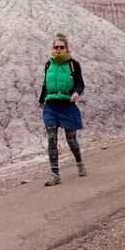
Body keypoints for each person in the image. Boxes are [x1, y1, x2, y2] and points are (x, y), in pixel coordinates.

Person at [37, 33, 86, 186]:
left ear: (66, 49)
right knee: (51, 140)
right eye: (56, 47)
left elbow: (80, 84)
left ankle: (79, 163)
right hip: (51, 106)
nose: (58, 49)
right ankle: (55, 173)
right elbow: (45, 84)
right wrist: (41, 100)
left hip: (67, 106)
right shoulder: (48, 64)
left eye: (61, 47)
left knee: (71, 140)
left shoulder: (73, 64)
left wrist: (76, 93)